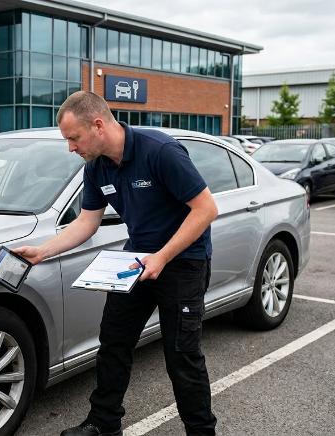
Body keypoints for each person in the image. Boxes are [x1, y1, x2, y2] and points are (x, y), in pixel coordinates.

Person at [13, 91, 219, 436]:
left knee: (182, 356)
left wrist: (163, 256)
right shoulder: (95, 168)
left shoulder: (160, 151)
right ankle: (104, 424)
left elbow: (206, 209)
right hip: (136, 261)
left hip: (183, 263)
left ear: (98, 126)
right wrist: (44, 250)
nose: (70, 147)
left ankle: (201, 432)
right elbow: (87, 221)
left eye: (73, 138)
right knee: (113, 343)